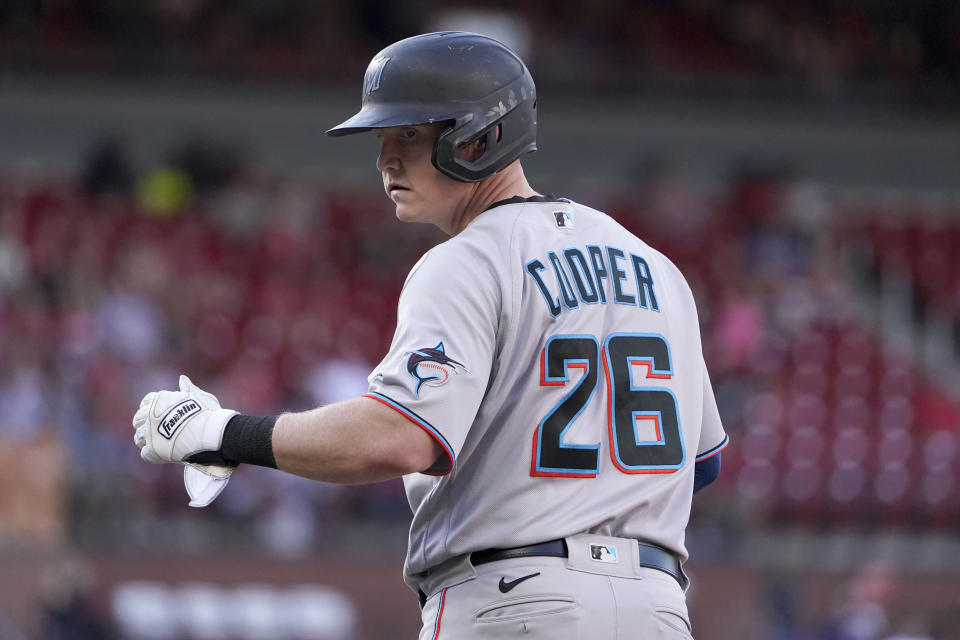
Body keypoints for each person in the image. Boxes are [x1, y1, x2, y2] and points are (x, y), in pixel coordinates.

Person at [132, 31, 729, 639]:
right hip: (657, 607)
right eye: (384, 138)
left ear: (483, 134)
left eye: (410, 136)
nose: (386, 159)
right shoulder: (657, 270)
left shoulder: (468, 259)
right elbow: (700, 462)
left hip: (515, 601)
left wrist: (223, 433)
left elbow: (399, 439)